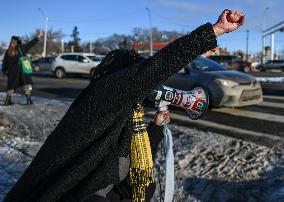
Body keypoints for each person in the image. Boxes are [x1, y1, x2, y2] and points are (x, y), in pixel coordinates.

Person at [4, 9, 245, 202]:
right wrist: (215, 31)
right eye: (134, 72)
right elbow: (154, 68)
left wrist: (157, 128)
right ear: (122, 75)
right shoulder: (103, 96)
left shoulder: (127, 111)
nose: (143, 85)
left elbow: (128, 146)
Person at [2, 32, 44, 105]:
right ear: (18, 42)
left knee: (11, 86)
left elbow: (4, 62)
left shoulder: (8, 51)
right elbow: (30, 44)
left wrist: (4, 70)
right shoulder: (21, 48)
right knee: (27, 84)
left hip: (12, 73)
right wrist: (38, 36)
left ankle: (7, 100)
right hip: (23, 71)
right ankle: (28, 100)